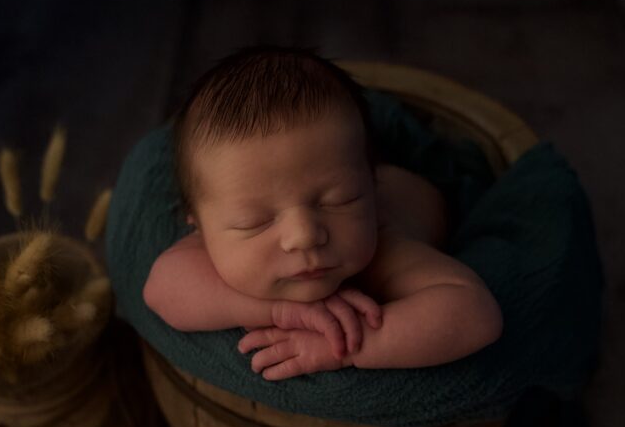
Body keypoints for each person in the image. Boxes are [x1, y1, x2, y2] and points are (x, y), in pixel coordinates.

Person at [143, 45, 502, 381]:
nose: (305, 235)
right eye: (256, 221)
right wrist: (278, 312)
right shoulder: (216, 229)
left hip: (420, 193)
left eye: (341, 200)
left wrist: (350, 348)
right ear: (199, 226)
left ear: (369, 185)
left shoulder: (384, 248)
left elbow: (475, 314)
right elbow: (160, 290)